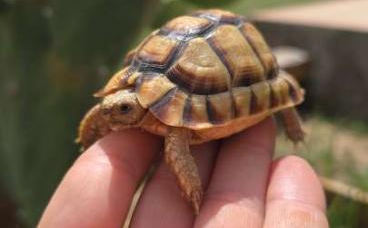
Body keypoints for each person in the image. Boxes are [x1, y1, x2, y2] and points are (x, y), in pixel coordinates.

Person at [38, 118, 328, 227]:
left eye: (126, 108)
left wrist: (193, 190)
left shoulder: (176, 130)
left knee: (175, 146)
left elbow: (176, 147)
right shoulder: (131, 109)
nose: (116, 112)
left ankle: (292, 120)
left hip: (209, 75)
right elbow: (106, 109)